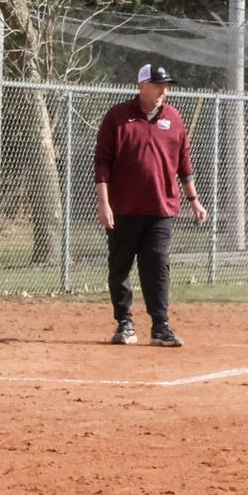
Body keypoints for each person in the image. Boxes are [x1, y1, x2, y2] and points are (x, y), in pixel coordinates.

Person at [93, 62, 208, 347]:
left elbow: (184, 164)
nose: (162, 91)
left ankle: (160, 326)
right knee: (120, 266)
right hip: (123, 209)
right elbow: (102, 163)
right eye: (157, 85)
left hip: (161, 209)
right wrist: (104, 204)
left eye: (165, 86)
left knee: (156, 265)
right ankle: (125, 324)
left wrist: (194, 200)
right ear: (141, 86)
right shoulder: (118, 117)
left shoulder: (174, 118)